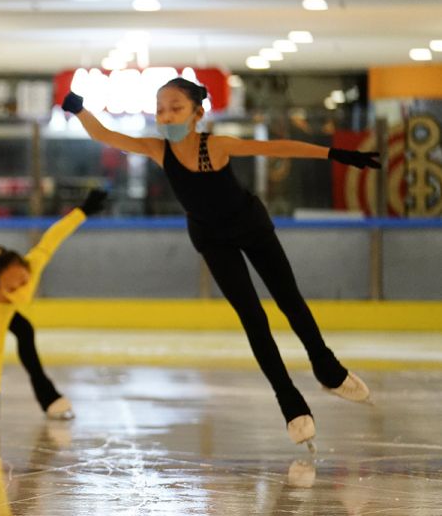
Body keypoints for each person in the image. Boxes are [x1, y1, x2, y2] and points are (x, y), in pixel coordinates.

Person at [61, 79, 379, 449]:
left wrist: (334, 154)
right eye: (161, 107)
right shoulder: (157, 149)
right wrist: (78, 109)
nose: (166, 115)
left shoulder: (216, 145)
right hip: (212, 240)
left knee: (289, 300)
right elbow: (106, 134)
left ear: (198, 113)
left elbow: (275, 146)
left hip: (251, 227)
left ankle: (327, 368)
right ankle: (290, 403)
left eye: (176, 107)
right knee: (253, 319)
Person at [0, 189, 107, 423]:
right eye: (11, 289)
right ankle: (49, 398)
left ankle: (48, 397)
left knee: (24, 331)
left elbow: (55, 235)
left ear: (26, 267)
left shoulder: (33, 262)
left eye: (23, 282)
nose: (20, 292)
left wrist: (83, 210)